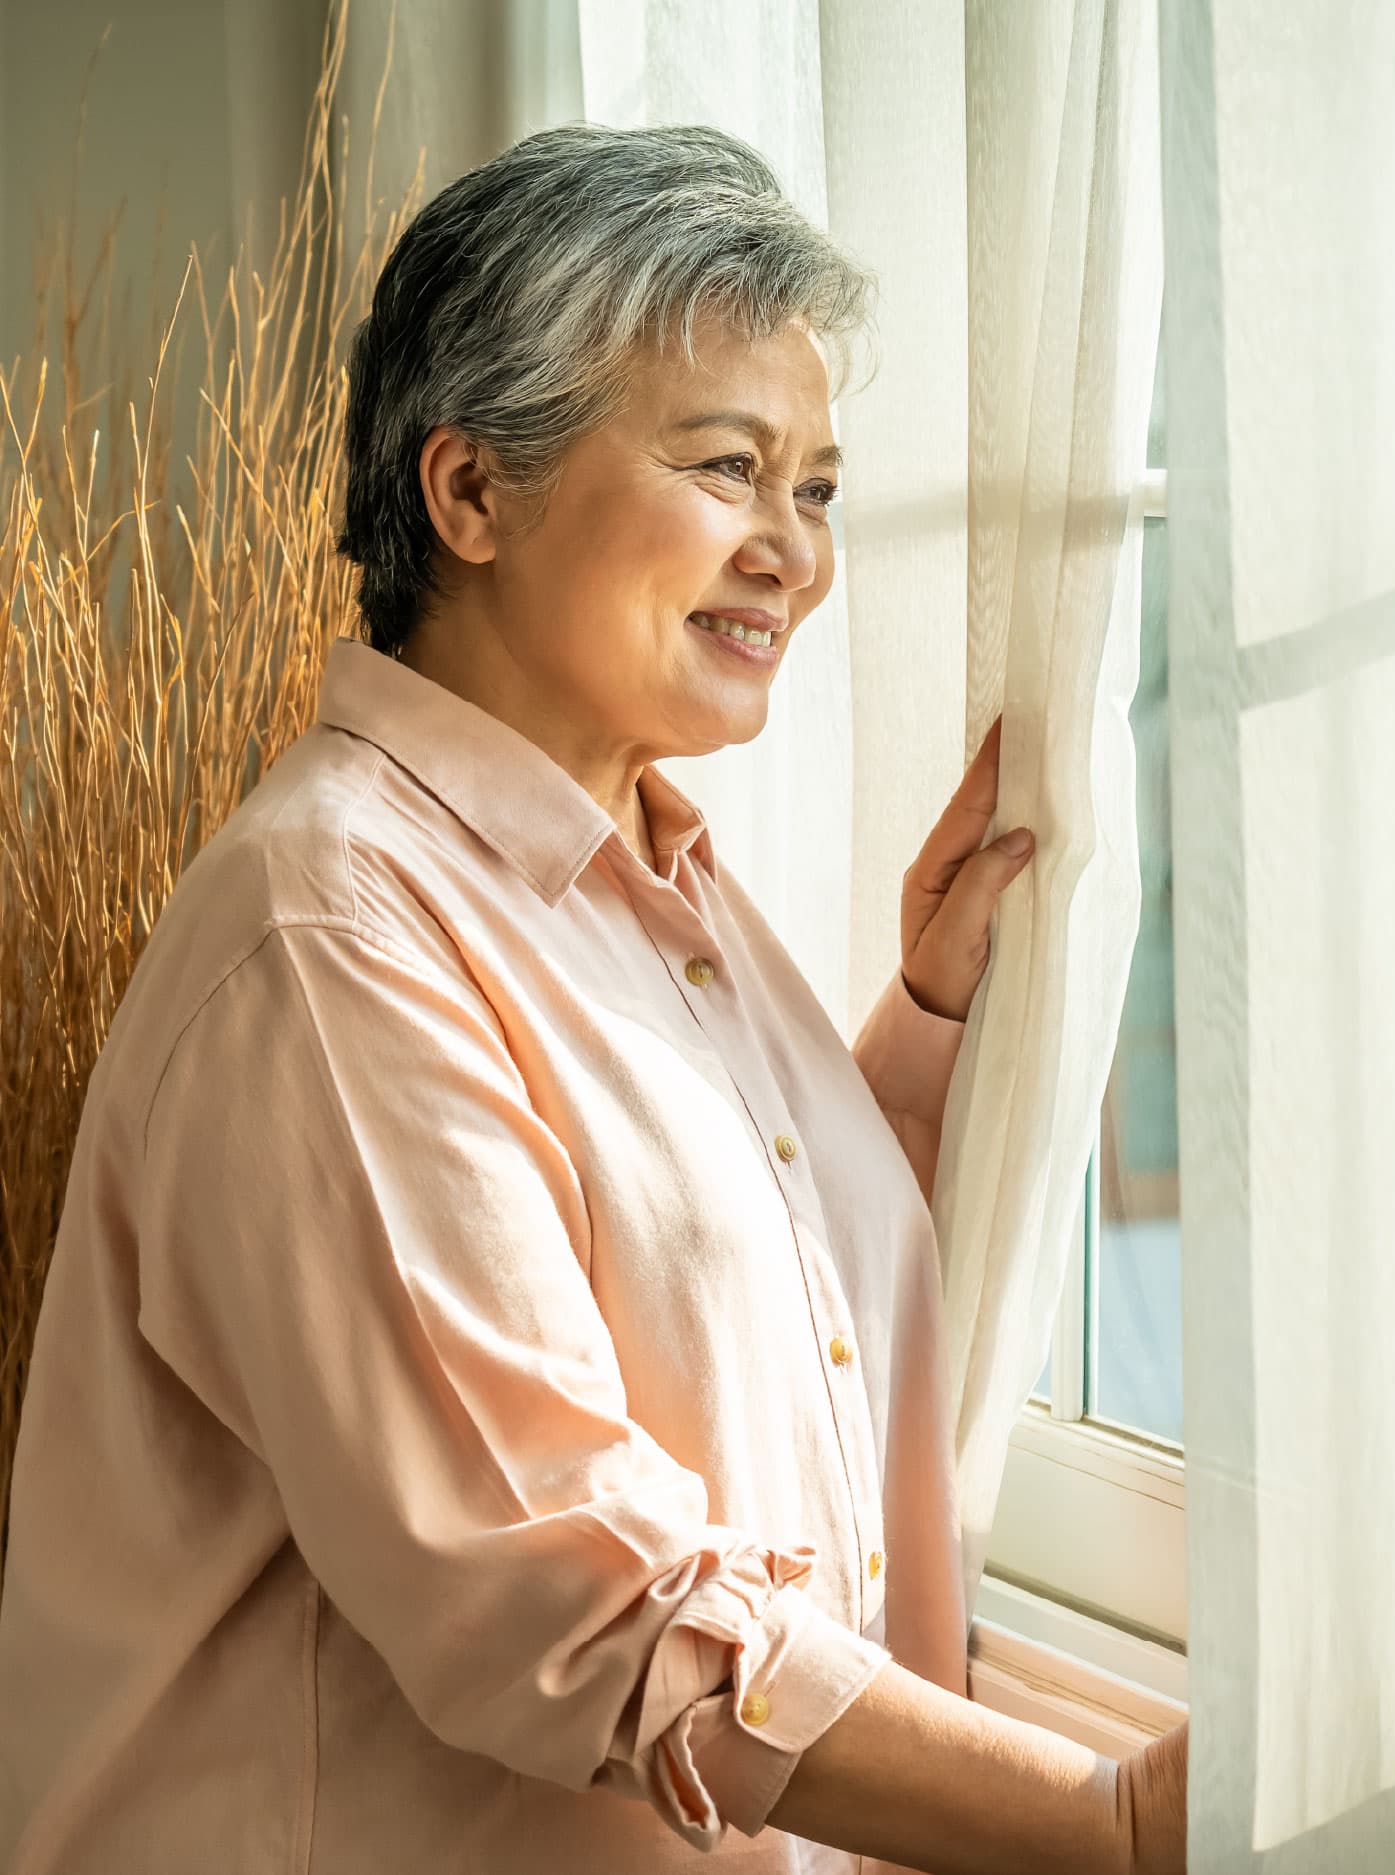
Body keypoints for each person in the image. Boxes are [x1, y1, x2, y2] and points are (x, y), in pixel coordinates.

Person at [0, 122, 1186, 1873]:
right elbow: (566, 1591)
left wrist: (925, 1040)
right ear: (471, 494)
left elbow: (705, 1281)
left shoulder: (653, 882)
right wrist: (1102, 1826)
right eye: (728, 468)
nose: (793, 548)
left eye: (819, 488)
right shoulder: (330, 935)